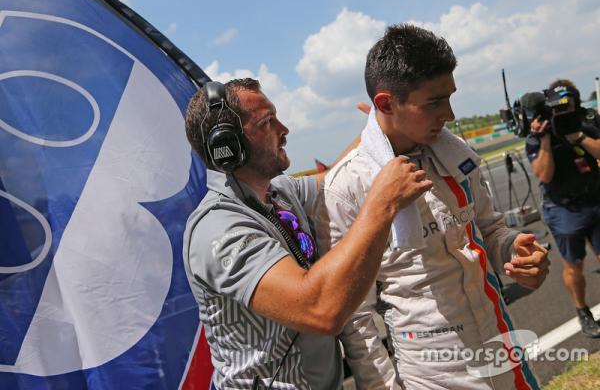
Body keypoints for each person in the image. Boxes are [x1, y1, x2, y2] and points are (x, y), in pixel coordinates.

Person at [316, 24, 549, 390]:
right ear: (386, 104)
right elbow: (355, 316)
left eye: (450, 97)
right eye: (434, 102)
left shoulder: (455, 155)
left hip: (502, 349)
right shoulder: (347, 186)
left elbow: (489, 229)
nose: (450, 114)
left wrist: (515, 249)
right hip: (433, 376)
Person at [182, 78, 433, 389]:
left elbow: (337, 176)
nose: (284, 130)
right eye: (267, 122)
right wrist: (382, 206)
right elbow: (320, 310)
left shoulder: (279, 194)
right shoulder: (217, 229)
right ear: (227, 146)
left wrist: (380, 131)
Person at [526, 78, 600, 338]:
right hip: (564, 209)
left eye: (567, 106)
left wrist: (578, 136)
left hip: (595, 199)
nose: (562, 113)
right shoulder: (539, 133)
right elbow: (544, 175)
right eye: (557, 108)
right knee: (574, 265)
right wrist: (545, 139)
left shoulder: (588, 121)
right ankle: (582, 310)